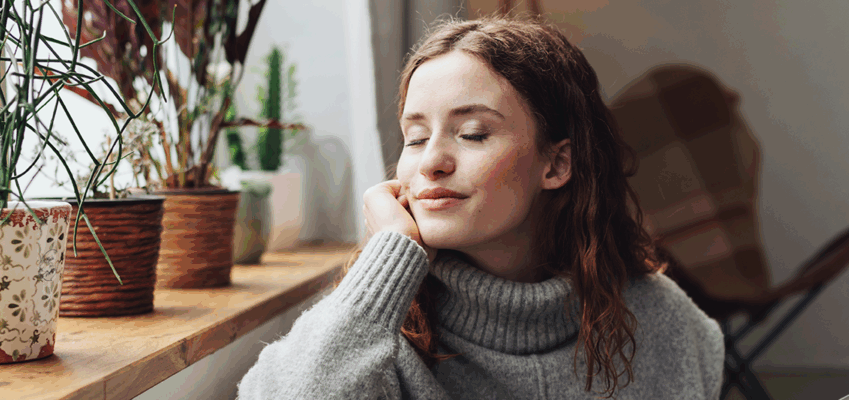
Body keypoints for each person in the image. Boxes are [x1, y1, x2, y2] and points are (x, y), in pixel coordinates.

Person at [238, 16, 723, 399]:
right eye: (415, 137)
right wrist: (389, 256)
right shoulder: (375, 327)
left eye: (472, 134)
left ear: (556, 164)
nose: (431, 162)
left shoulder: (665, 324)